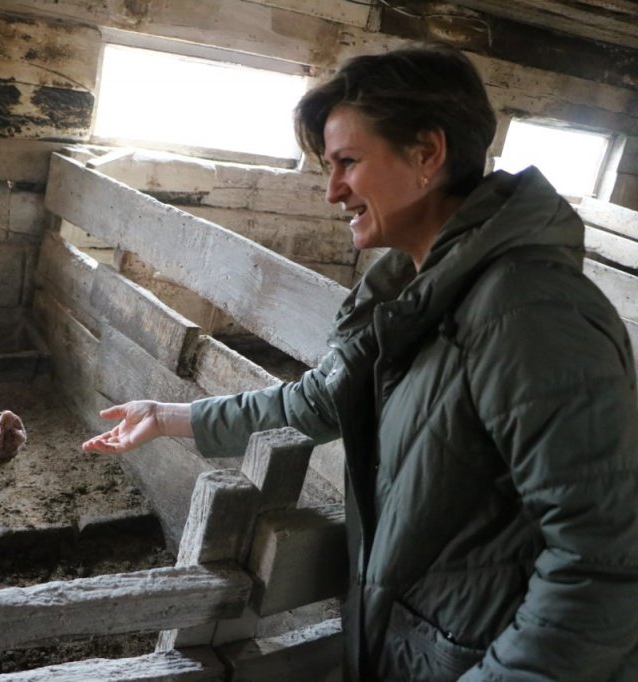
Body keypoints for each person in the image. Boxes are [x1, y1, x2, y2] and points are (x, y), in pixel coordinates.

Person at [82, 43, 638, 681]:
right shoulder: (414, 291)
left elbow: (600, 564)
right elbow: (317, 400)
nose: (331, 191)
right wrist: (171, 414)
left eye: (348, 161)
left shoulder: (529, 313)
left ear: (427, 153)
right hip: (418, 645)